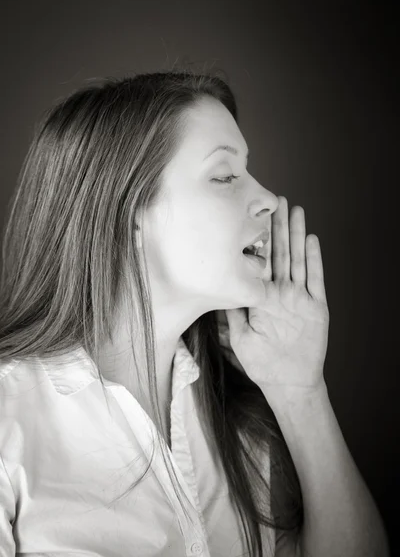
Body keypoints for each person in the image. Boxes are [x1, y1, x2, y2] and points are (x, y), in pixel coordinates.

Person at [0, 71, 388, 557]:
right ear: (128, 215)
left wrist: (302, 393)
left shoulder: (238, 420)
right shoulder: (8, 423)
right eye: (225, 176)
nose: (268, 198)